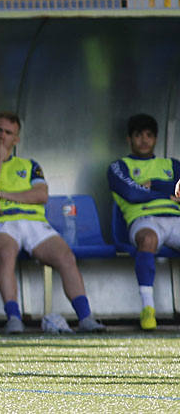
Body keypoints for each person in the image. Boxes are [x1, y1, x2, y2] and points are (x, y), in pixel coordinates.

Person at [0, 112, 104, 333]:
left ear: (16, 139)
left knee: (66, 256)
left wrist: (6, 195)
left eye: (8, 132)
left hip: (35, 223)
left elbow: (41, 195)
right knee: (6, 254)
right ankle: (14, 318)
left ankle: (86, 317)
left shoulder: (30, 165)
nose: (2, 136)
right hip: (2, 222)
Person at [107, 113, 180, 330]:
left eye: (149, 135)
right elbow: (131, 193)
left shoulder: (172, 165)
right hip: (143, 219)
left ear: (156, 138)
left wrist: (155, 185)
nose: (144, 140)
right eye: (139, 135)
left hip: (175, 219)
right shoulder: (119, 166)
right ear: (129, 139)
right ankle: (148, 309)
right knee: (147, 239)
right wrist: (168, 193)